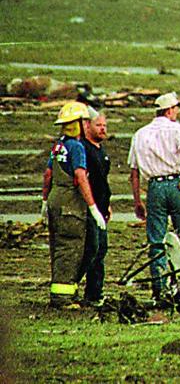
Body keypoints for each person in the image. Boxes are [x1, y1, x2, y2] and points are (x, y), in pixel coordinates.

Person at [128, 92, 180, 303]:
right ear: (169, 111)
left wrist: (138, 201)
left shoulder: (140, 134)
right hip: (177, 185)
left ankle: (160, 288)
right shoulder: (177, 129)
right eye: (176, 109)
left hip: (155, 187)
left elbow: (134, 172)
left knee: (156, 239)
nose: (177, 112)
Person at [41, 101, 107, 307]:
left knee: (60, 247)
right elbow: (80, 177)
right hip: (70, 203)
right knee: (70, 248)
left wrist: (45, 201)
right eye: (84, 122)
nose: (87, 125)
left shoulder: (59, 145)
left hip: (55, 199)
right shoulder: (77, 147)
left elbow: (48, 174)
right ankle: (62, 298)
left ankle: (67, 292)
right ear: (77, 124)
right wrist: (93, 207)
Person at [80, 108, 111, 306]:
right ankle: (90, 293)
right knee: (93, 250)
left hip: (101, 208)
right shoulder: (84, 149)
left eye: (104, 125)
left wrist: (108, 205)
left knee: (101, 250)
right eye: (98, 125)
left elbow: (102, 182)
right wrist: (92, 207)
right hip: (89, 209)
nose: (103, 129)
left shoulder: (101, 151)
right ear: (87, 126)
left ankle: (95, 292)